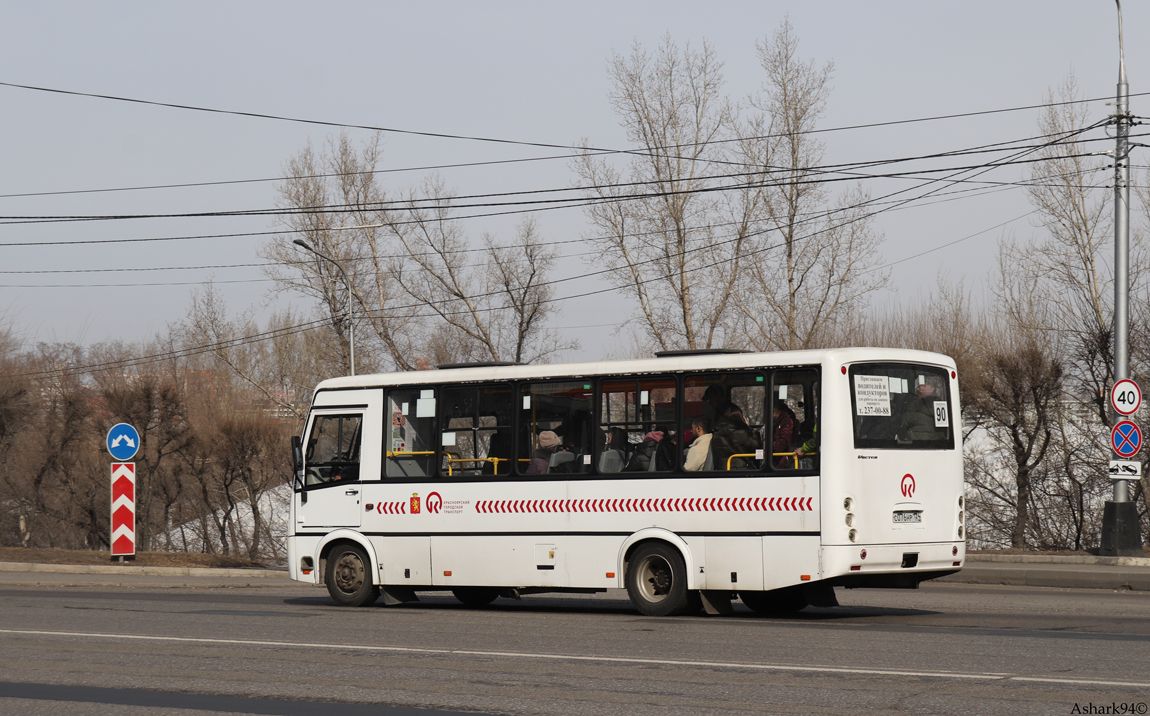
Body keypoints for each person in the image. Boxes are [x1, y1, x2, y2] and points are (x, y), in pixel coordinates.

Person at [711, 403, 761, 470]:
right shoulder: (742, 433)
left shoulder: (717, 434)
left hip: (724, 471)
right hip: (741, 471)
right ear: (740, 418)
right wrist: (748, 428)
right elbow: (756, 445)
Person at [771, 399, 797, 468]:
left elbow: (784, 441)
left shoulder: (787, 419)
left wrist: (768, 449)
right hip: (774, 459)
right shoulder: (774, 420)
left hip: (782, 461)